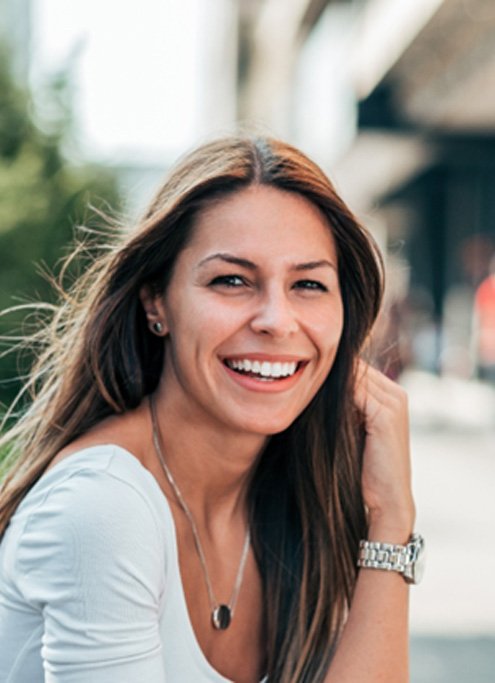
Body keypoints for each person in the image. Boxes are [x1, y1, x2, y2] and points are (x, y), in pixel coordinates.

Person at [0, 135, 423, 683]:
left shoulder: (291, 495)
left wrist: (391, 520)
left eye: (309, 284)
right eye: (231, 280)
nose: (277, 319)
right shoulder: (101, 506)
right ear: (157, 302)